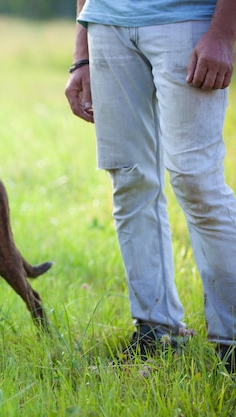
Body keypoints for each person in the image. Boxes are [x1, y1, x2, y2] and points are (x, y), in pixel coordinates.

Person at [65, 0, 236, 374]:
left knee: (197, 180)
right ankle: (155, 331)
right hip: (106, 25)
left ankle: (231, 339)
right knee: (129, 180)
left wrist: (224, 31)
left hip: (187, 21)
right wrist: (82, 52)